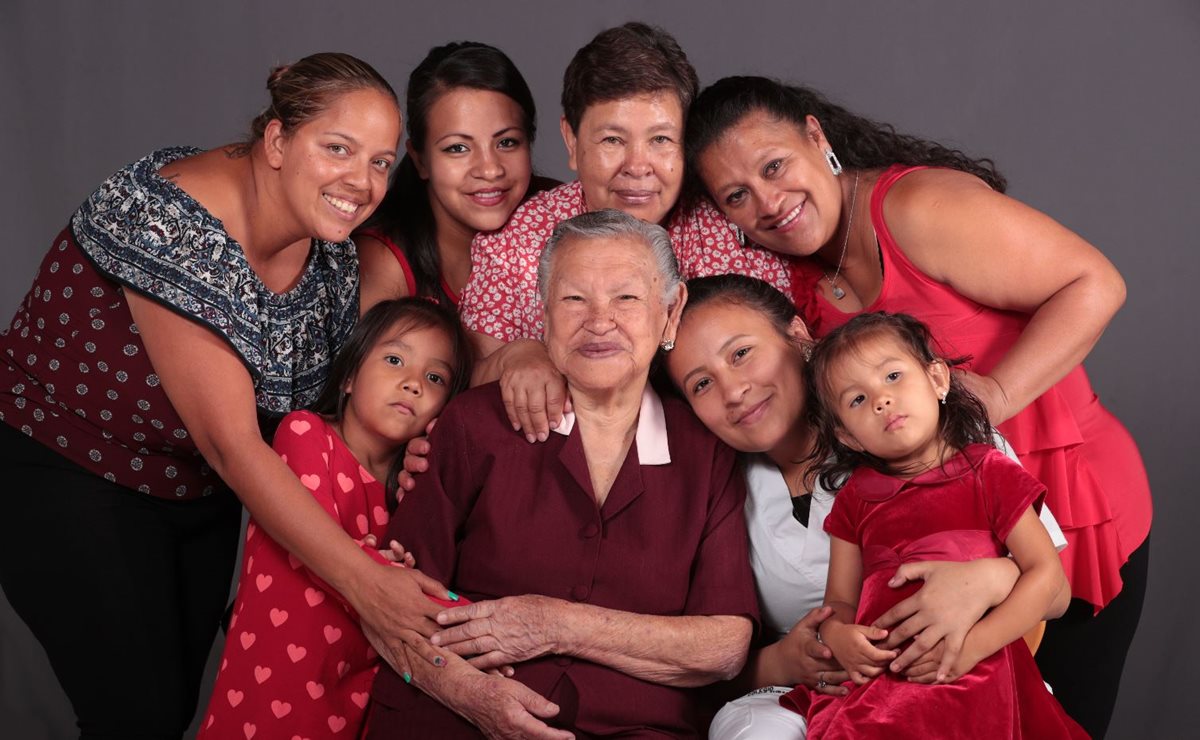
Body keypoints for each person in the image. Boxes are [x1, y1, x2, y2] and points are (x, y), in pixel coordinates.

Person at [0, 53, 451, 739]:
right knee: (136, 715)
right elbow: (235, 444)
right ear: (276, 141)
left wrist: (408, 466)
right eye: (338, 149)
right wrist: (367, 586)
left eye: (382, 162)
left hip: (194, 489)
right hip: (65, 466)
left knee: (178, 702)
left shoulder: (330, 258)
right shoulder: (173, 224)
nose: (360, 183)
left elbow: (335, 409)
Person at [685, 76, 1150, 737]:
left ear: (816, 137)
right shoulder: (802, 290)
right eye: (738, 195)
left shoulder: (917, 209)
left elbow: (1096, 283)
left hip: (1076, 509)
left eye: (775, 165)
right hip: (958, 537)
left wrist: (994, 395)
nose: (768, 201)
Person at [366, 210, 758, 739]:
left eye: (626, 298)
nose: (599, 322)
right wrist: (471, 695)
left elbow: (724, 647)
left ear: (670, 313)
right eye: (574, 299)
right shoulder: (474, 423)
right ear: (544, 313)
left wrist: (554, 624)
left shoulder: (706, 452)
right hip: (456, 717)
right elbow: (389, 603)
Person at [664, 275, 1069, 739]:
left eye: (741, 354)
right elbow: (705, 674)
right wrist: (787, 658)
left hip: (956, 670)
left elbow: (1054, 592)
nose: (733, 391)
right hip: (812, 692)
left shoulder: (939, 438)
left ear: (798, 337)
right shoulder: (714, 492)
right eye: (701, 384)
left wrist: (990, 577)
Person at [458, 22, 793, 445]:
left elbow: (782, 362)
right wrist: (516, 355)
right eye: (613, 139)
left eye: (660, 140)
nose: (638, 166)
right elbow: (472, 382)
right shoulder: (518, 239)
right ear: (572, 140)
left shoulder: (732, 221)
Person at [773, 311, 1084, 738]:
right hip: (885, 683)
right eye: (857, 400)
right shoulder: (854, 501)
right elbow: (839, 601)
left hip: (977, 668)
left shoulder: (988, 472)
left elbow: (1046, 577)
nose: (881, 400)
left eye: (893, 377)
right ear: (847, 435)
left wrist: (973, 647)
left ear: (937, 380)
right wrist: (839, 635)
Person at [197, 298, 472, 739]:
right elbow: (351, 566)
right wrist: (481, 624)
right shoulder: (305, 435)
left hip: (352, 703)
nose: (413, 383)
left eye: (435, 377)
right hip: (268, 698)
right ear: (348, 377)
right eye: (395, 359)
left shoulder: (409, 495)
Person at [356, 41, 545, 309]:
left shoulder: (563, 219)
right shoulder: (385, 263)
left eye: (507, 142)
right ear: (420, 159)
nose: (490, 169)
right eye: (458, 148)